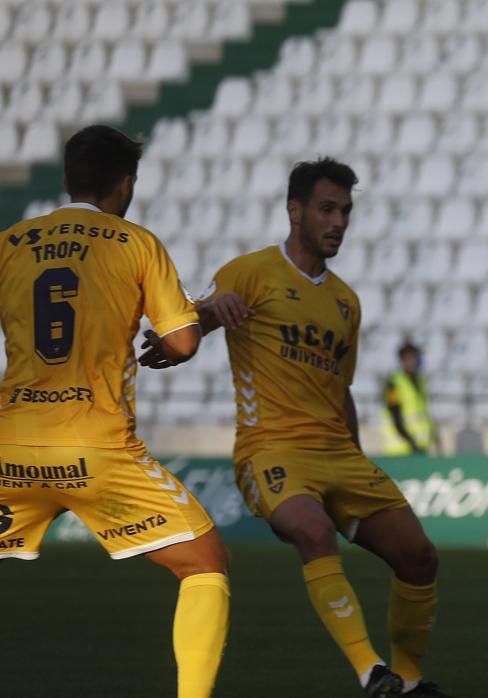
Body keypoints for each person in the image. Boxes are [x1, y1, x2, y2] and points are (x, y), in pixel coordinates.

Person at [147, 158, 450, 698]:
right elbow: (187, 328)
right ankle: (370, 673)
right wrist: (213, 310)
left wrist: (358, 461)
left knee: (420, 556)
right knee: (314, 530)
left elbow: (343, 387)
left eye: (346, 211)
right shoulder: (251, 271)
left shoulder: (346, 303)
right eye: (327, 209)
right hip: (270, 451)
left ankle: (407, 681)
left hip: (340, 454)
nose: (339, 221)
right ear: (295, 210)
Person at [0, 125, 230, 698]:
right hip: (96, 449)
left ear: (66, 179)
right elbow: (180, 341)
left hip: (9, 445)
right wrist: (200, 314)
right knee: (203, 563)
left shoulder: (10, 242)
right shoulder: (135, 243)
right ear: (125, 186)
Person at [381, 343, 440, 456]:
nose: (416, 361)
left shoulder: (421, 382)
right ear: (404, 360)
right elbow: (395, 415)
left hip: (420, 448)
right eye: (413, 357)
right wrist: (411, 442)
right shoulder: (394, 383)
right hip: (399, 449)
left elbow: (424, 414)